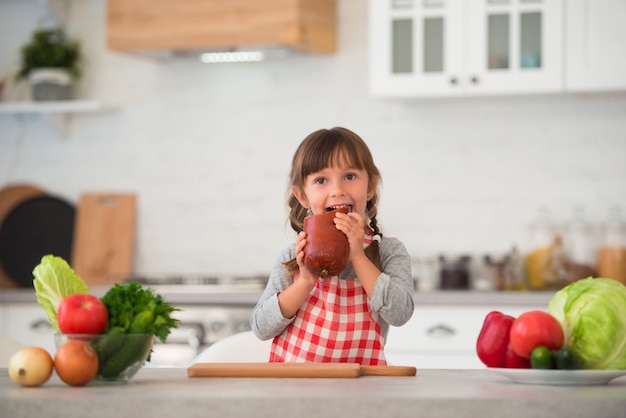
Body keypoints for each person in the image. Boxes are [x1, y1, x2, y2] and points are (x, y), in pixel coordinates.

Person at [251, 127, 414, 365]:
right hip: (296, 389)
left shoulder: (388, 251)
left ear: (370, 186)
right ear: (302, 195)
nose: (337, 190)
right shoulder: (293, 256)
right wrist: (305, 280)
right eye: (321, 180)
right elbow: (261, 328)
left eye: (349, 176)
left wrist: (358, 256)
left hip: (361, 389)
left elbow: (400, 314)